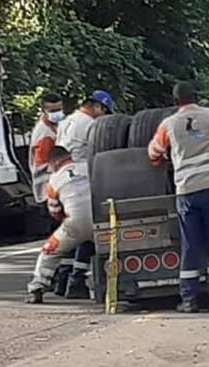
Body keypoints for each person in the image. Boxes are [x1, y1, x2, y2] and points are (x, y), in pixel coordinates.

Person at [148, 82, 209, 313]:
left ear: (175, 101)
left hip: (187, 191)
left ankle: (189, 300)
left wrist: (167, 155)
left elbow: (153, 153)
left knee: (190, 245)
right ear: (196, 96)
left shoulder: (168, 125)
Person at [55, 89, 114, 298]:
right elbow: (99, 153)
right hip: (79, 181)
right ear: (96, 106)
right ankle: (76, 280)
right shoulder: (90, 125)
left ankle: (62, 279)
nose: (104, 116)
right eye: (104, 111)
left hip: (62, 180)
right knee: (88, 232)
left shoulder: (67, 121)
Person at [25, 147, 92, 304]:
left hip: (74, 224)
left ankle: (36, 288)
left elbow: (54, 210)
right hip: (102, 220)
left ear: (55, 162)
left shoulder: (54, 181)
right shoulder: (89, 167)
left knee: (48, 252)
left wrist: (65, 220)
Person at [27, 92, 76, 295]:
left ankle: (59, 279)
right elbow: (44, 164)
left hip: (53, 190)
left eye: (59, 109)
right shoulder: (45, 134)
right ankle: (56, 279)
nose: (57, 113)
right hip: (48, 191)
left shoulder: (53, 128)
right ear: (44, 110)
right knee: (61, 237)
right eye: (53, 110)